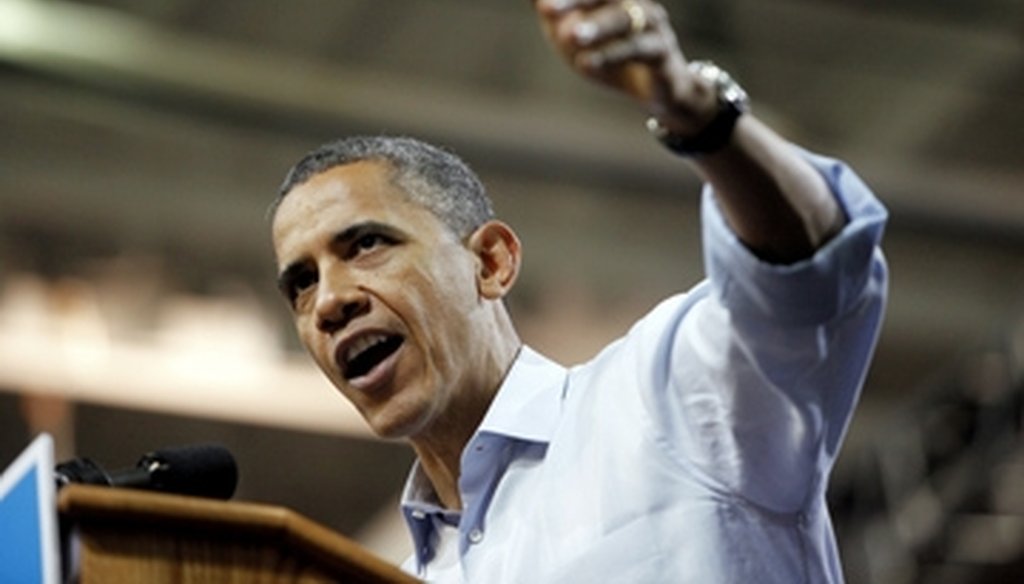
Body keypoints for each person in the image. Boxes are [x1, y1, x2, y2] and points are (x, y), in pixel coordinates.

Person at [269, 0, 888, 582]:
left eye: (367, 245)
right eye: (301, 283)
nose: (327, 302)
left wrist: (694, 110)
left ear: (491, 262)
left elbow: (813, 269)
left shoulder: (663, 402)